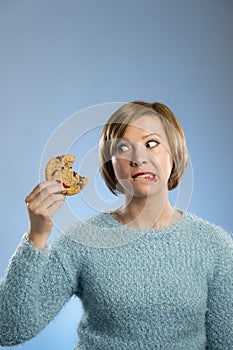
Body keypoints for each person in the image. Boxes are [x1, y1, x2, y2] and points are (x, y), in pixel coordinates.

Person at [0, 101, 232, 349]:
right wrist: (37, 235)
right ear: (110, 165)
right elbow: (9, 328)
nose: (138, 158)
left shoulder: (214, 245)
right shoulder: (82, 240)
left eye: (151, 143)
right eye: (123, 147)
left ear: (174, 154)